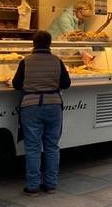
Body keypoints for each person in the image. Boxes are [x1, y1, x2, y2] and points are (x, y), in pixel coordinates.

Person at [12, 30, 71, 195]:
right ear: (50, 43)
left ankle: (32, 187)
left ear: (33, 43)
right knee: (52, 146)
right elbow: (66, 83)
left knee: (32, 147)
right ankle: (51, 184)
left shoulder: (26, 61)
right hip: (53, 106)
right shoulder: (57, 61)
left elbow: (17, 84)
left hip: (31, 107)